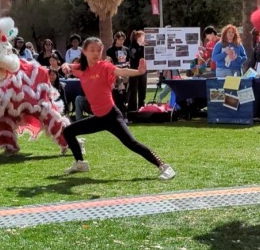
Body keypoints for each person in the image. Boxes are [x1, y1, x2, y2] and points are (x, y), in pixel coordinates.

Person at [60, 37, 175, 179]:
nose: (96, 53)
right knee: (68, 131)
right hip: (98, 118)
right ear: (84, 51)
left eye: (98, 50)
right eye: (92, 50)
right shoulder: (81, 68)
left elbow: (122, 71)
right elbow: (67, 66)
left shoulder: (104, 66)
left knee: (132, 143)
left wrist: (139, 72)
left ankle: (164, 167)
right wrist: (64, 65)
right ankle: (80, 163)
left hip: (111, 116)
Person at [127, 30, 147, 111]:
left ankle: (141, 106)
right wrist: (142, 47)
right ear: (137, 37)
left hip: (143, 71)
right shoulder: (132, 46)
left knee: (143, 89)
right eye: (142, 36)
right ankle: (132, 108)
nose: (144, 38)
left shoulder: (143, 47)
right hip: (134, 70)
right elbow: (135, 56)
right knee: (133, 90)